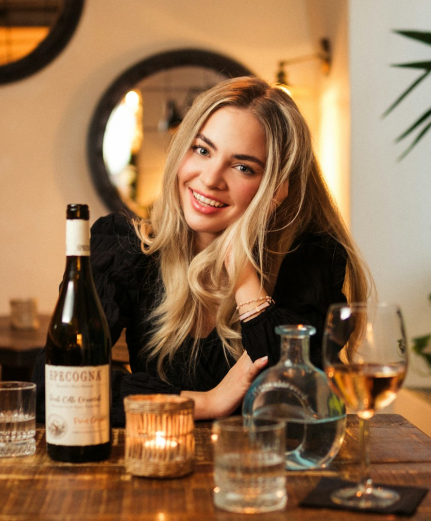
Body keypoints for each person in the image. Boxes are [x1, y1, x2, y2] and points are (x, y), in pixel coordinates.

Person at [34, 76, 369, 426]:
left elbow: (294, 400)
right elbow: (52, 383)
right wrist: (206, 403)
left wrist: (242, 273)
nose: (210, 178)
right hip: (156, 465)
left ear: (276, 187)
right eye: (202, 150)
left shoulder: (308, 260)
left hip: (263, 474)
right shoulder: (123, 247)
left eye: (243, 167)